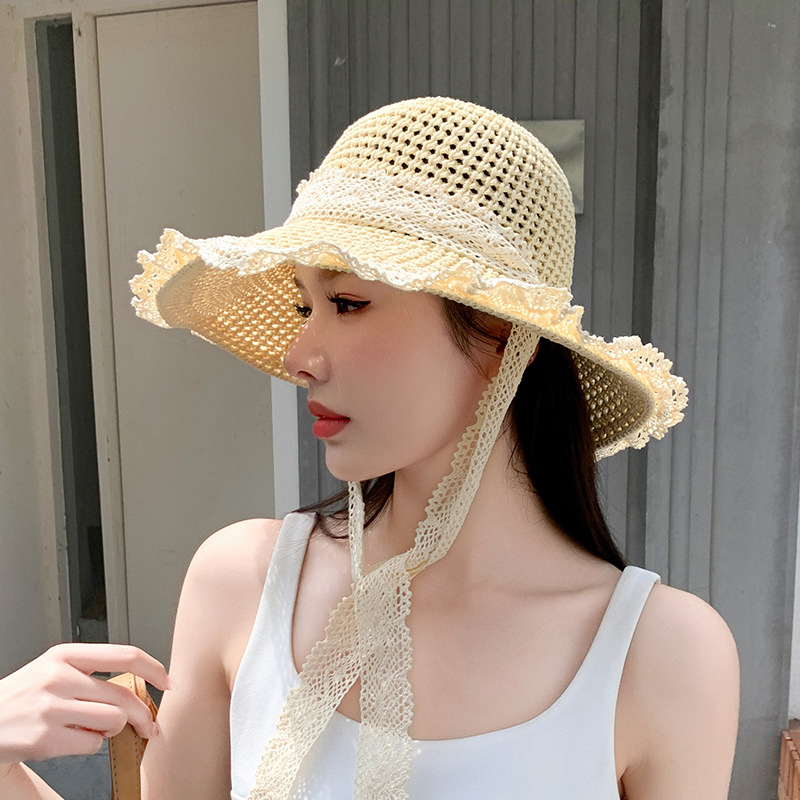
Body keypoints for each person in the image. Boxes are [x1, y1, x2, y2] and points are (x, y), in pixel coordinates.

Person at [0, 97, 739, 799]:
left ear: (499, 335)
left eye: (347, 303)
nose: (298, 357)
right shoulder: (242, 583)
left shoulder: (663, 654)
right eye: (304, 307)